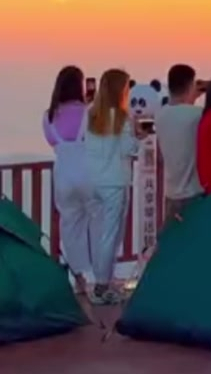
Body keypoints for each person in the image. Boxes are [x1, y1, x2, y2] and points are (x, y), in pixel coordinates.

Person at [84, 68, 140, 305]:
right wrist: (138, 134)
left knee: (99, 235)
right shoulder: (121, 117)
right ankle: (102, 287)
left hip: (93, 181)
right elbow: (130, 149)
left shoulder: (91, 114)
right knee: (111, 235)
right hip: (115, 183)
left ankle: (101, 279)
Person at [43, 65, 93, 292]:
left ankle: (79, 279)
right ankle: (102, 278)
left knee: (70, 227)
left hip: (63, 176)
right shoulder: (89, 112)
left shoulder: (49, 116)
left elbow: (53, 143)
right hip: (89, 174)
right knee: (99, 224)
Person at [155, 63, 203, 223]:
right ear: (190, 86)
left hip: (171, 193)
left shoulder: (160, 115)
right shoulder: (197, 115)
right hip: (194, 193)